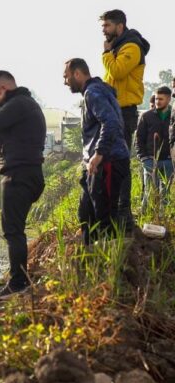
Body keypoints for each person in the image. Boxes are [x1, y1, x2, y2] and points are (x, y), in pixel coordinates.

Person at [0, 70, 45, 298]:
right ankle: (17, 279)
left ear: (1, 89)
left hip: (19, 174)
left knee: (13, 231)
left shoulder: (18, 104)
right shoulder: (24, 103)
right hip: (27, 173)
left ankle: (18, 285)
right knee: (14, 230)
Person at [64, 58, 130, 246]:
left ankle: (111, 267)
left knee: (105, 217)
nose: (65, 82)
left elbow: (110, 122)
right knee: (86, 214)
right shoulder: (97, 91)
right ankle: (89, 264)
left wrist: (99, 153)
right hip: (96, 163)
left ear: (77, 74)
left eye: (66, 77)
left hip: (107, 161)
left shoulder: (93, 93)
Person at [99, 9, 150, 231]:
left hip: (125, 112)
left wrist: (106, 54)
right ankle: (114, 215)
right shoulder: (119, 48)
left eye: (107, 26)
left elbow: (118, 72)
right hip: (114, 111)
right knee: (112, 164)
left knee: (121, 164)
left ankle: (124, 216)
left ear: (120, 26)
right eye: (102, 26)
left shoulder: (131, 47)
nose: (104, 31)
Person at [137, 86, 173, 210]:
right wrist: (144, 158)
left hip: (169, 161)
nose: (157, 101)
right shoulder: (146, 116)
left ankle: (164, 221)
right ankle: (145, 218)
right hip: (150, 160)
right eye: (156, 99)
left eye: (161, 99)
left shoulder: (173, 116)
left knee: (165, 194)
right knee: (149, 192)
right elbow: (139, 140)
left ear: (168, 99)